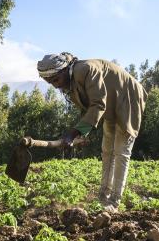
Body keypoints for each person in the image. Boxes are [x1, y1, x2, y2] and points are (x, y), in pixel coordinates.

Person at [37, 52, 147, 212]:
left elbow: (97, 104)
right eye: (50, 82)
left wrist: (74, 133)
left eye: (55, 80)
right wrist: (82, 134)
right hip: (109, 105)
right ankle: (103, 195)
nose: (55, 85)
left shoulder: (86, 70)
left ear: (63, 70)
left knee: (121, 150)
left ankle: (115, 201)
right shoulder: (70, 83)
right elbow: (86, 109)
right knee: (107, 150)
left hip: (128, 98)